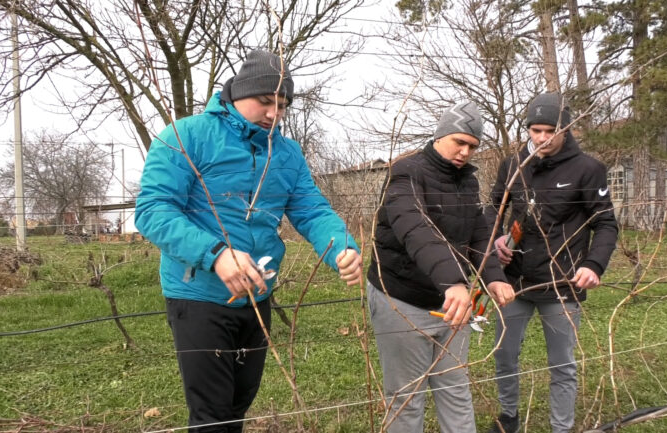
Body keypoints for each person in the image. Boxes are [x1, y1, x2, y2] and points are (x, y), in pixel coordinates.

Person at [135, 50, 363, 433]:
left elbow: (311, 210)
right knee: (212, 414)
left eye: (283, 105)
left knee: (239, 404)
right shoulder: (185, 136)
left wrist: (341, 246)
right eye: (266, 101)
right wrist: (216, 254)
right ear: (239, 93)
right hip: (198, 295)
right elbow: (153, 211)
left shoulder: (286, 153)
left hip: (257, 295)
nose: (275, 113)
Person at [367, 100, 516, 433]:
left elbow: (478, 229)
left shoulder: (466, 180)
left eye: (472, 146)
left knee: (455, 390)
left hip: (452, 304)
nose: (464, 152)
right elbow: (415, 226)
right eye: (458, 141)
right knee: (406, 397)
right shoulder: (405, 172)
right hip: (401, 297)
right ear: (440, 135)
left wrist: (493, 276)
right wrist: (453, 282)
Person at [485, 92, 618, 433]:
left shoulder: (588, 169)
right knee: (504, 356)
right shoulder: (513, 165)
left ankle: (562, 428)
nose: (541, 138)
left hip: (562, 284)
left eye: (549, 131)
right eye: (535, 130)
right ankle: (509, 418)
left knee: (562, 364)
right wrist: (495, 237)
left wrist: (594, 265)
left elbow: (605, 222)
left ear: (566, 128)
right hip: (514, 281)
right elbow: (493, 208)